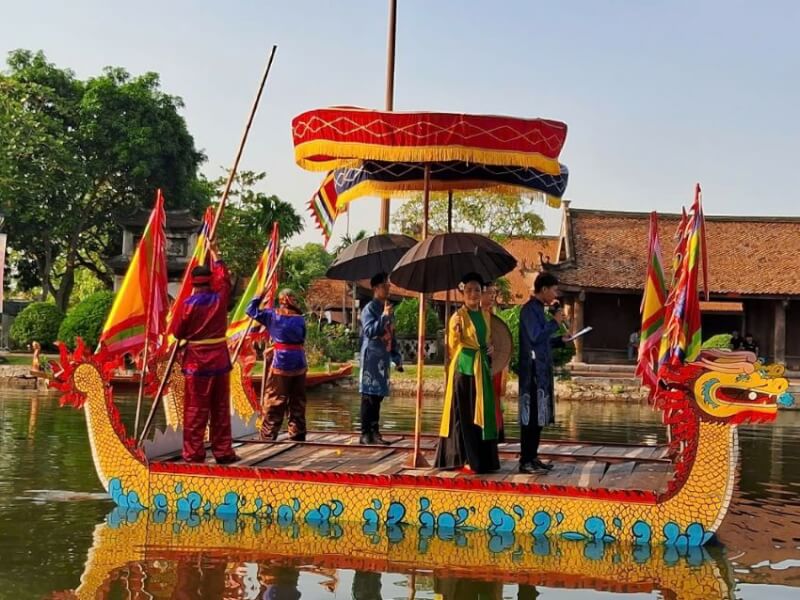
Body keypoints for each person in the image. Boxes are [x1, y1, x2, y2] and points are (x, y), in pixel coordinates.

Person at [173, 245, 238, 464]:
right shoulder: (220, 298)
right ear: (210, 281)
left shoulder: (187, 305)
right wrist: (216, 256)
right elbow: (225, 279)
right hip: (219, 360)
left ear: (193, 283)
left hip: (196, 363)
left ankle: (193, 453)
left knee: (195, 409)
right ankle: (223, 452)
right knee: (220, 408)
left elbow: (178, 332)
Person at [435, 272, 500, 474]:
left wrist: (490, 348)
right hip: (464, 369)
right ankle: (462, 457)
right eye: (469, 290)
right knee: (463, 414)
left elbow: (486, 341)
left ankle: (483, 460)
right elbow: (452, 348)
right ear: (463, 293)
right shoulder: (457, 317)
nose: (473, 294)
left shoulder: (485, 315)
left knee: (482, 412)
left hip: (481, 369)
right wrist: (454, 334)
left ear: (482, 293)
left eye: (477, 290)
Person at [518, 272, 570, 474]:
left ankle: (533, 456)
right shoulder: (529, 310)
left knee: (539, 416)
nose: (556, 295)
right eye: (554, 290)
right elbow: (535, 336)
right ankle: (525, 461)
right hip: (531, 371)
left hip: (542, 371)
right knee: (530, 417)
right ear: (545, 289)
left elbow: (543, 341)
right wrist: (555, 322)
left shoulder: (540, 309)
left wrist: (559, 341)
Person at [246, 288, 308, 441]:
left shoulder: (272, 315)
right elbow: (302, 338)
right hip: (299, 360)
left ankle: (268, 435)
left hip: (281, 360)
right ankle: (297, 433)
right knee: (297, 398)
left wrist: (258, 296)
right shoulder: (300, 319)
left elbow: (250, 310)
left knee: (275, 398)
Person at [359, 272, 403, 445]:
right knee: (369, 395)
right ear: (376, 288)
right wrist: (383, 316)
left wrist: (396, 357)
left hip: (383, 358)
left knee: (378, 396)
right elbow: (369, 331)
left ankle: (375, 431)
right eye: (385, 285)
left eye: (388, 285)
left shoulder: (388, 309)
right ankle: (365, 433)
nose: (388, 288)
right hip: (371, 357)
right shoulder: (369, 309)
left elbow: (391, 334)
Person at [481, 282, 506, 442]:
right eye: (489, 293)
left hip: (493, 362)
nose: (492, 297)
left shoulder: (491, 317)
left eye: (494, 293)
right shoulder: (472, 316)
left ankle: (495, 430)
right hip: (480, 362)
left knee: (494, 396)